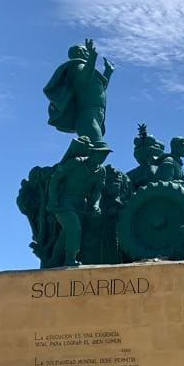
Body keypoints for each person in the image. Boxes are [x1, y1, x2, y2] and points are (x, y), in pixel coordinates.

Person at [46, 137, 111, 266]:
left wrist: (96, 205)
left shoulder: (101, 171)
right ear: (92, 152)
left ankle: (54, 260)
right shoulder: (75, 163)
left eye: (105, 155)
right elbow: (55, 179)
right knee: (74, 227)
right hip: (64, 201)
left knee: (67, 232)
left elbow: (97, 190)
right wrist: (53, 199)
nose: (102, 157)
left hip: (81, 204)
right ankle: (70, 259)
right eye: (100, 153)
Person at [43, 38, 115, 144]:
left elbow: (100, 87)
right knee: (98, 146)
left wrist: (108, 71)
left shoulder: (88, 68)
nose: (88, 52)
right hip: (86, 114)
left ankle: (77, 153)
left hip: (97, 113)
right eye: (86, 50)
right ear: (79, 52)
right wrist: (92, 57)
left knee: (93, 146)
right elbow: (84, 79)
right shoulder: (77, 66)